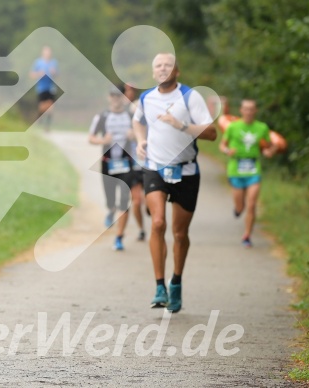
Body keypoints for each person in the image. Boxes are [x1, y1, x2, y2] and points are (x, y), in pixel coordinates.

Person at [133, 53, 217, 313]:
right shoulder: (146, 97)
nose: (163, 69)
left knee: (180, 234)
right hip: (155, 168)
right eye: (158, 65)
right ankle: (160, 286)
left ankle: (176, 281)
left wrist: (182, 126)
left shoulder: (190, 97)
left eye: (167, 65)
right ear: (153, 72)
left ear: (176, 71)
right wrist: (140, 140)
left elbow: (212, 133)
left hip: (186, 171)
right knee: (158, 222)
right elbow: (138, 121)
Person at [219, 99, 276, 248]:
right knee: (241, 206)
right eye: (246, 109)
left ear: (255, 111)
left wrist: (269, 151)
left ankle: (247, 236)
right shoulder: (233, 127)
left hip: (253, 169)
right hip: (235, 169)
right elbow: (222, 145)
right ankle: (238, 209)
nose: (249, 112)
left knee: (251, 205)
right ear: (241, 110)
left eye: (252, 109)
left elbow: (269, 146)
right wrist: (227, 151)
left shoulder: (262, 127)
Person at [89, 85, 137, 251]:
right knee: (111, 199)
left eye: (119, 95)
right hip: (108, 163)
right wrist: (103, 141)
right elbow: (91, 138)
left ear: (124, 97)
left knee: (125, 199)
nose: (116, 98)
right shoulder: (102, 116)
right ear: (109, 97)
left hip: (126, 164)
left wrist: (134, 136)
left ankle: (119, 237)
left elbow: (144, 134)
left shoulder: (131, 116)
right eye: (113, 95)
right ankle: (110, 210)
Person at [123, 83, 147, 241]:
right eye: (126, 89)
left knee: (150, 201)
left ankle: (152, 207)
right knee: (136, 201)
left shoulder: (143, 105)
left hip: (150, 161)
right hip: (132, 162)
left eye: (131, 89)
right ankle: (141, 229)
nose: (129, 92)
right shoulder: (120, 109)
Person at [30, 45, 58, 131]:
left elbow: (57, 75)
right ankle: (39, 117)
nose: (47, 54)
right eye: (46, 52)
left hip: (51, 87)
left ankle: (47, 127)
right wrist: (39, 74)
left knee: (50, 107)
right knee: (42, 106)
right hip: (41, 88)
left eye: (49, 52)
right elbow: (31, 74)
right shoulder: (38, 62)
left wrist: (54, 72)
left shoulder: (54, 63)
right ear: (43, 53)